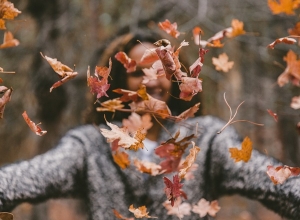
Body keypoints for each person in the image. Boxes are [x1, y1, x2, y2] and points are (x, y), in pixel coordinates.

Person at [0, 29, 299, 220]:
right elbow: (26, 178)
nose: (149, 81)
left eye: (158, 69)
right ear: (118, 83)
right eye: (136, 73)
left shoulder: (207, 139)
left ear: (173, 75)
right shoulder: (91, 145)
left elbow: (276, 185)